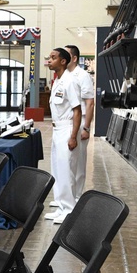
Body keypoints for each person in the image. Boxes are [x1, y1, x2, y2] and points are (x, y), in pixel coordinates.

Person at [44, 48, 81, 224]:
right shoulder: (58, 81)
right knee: (58, 171)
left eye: (53, 58)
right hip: (57, 130)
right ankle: (61, 206)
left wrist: (73, 136)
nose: (49, 61)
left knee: (67, 171)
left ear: (63, 61)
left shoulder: (69, 81)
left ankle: (69, 209)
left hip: (67, 129)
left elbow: (77, 110)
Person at [64, 44, 95, 198]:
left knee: (79, 162)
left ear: (74, 58)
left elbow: (89, 103)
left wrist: (87, 128)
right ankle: (67, 197)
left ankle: (76, 197)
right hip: (67, 122)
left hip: (80, 121)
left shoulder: (82, 76)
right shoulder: (64, 76)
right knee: (67, 161)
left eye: (66, 54)